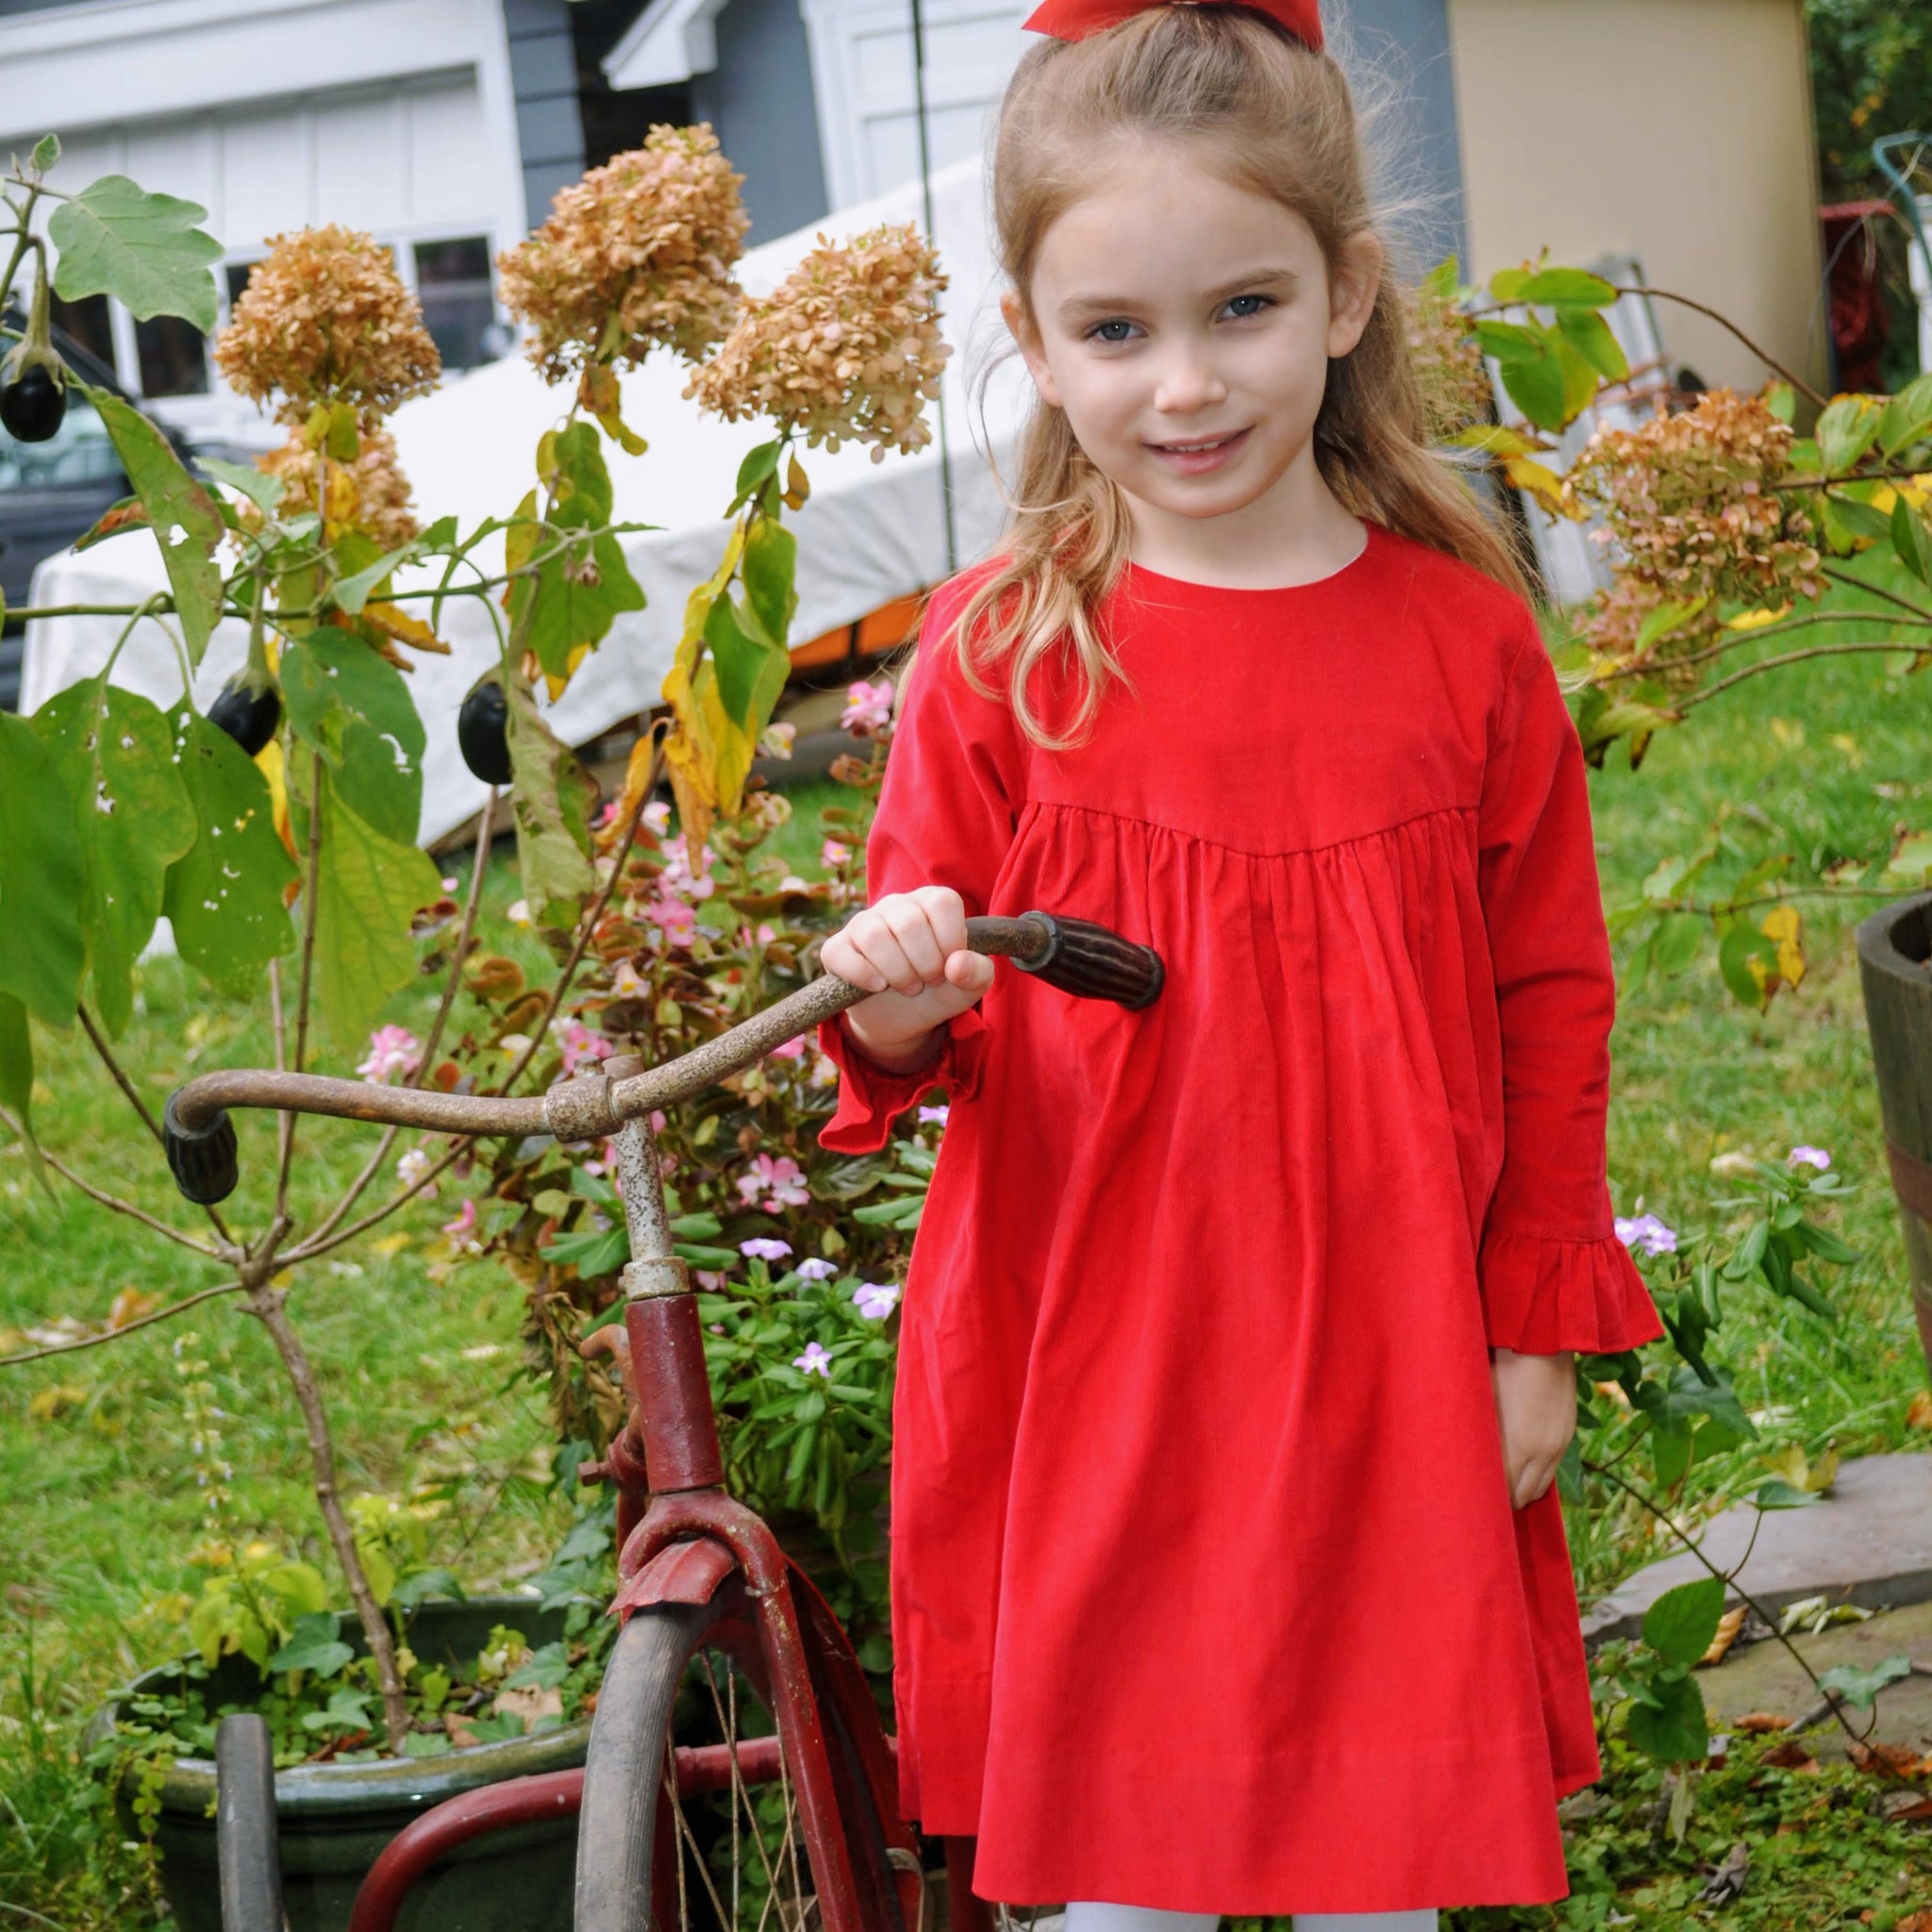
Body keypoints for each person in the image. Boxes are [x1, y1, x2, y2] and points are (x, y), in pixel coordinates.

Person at [814, 2, 1664, 1927]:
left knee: (1384, 1846)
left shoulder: (1462, 648)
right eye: (1113, 332)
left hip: (1385, 1345)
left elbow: (1550, 995)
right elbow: (901, 1025)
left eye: (1242, 311)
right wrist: (891, 979)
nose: (1183, 387)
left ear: (1349, 292)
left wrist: (1533, 1328)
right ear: (1031, 340)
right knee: (1124, 1866)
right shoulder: (1000, 654)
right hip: (1098, 1347)